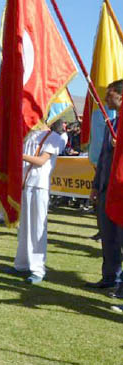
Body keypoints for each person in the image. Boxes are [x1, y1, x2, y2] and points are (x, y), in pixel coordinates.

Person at [6, 121, 66, 283]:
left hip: (39, 185)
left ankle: (38, 269)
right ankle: (21, 264)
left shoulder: (54, 137)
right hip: (24, 185)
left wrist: (18, 154)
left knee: (38, 227)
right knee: (24, 227)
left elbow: (41, 161)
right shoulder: (28, 135)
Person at [87, 80, 123, 291]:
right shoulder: (112, 123)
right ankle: (109, 277)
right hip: (105, 189)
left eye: (110, 95)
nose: (106, 99)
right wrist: (95, 185)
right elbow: (103, 158)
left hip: (121, 190)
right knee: (108, 237)